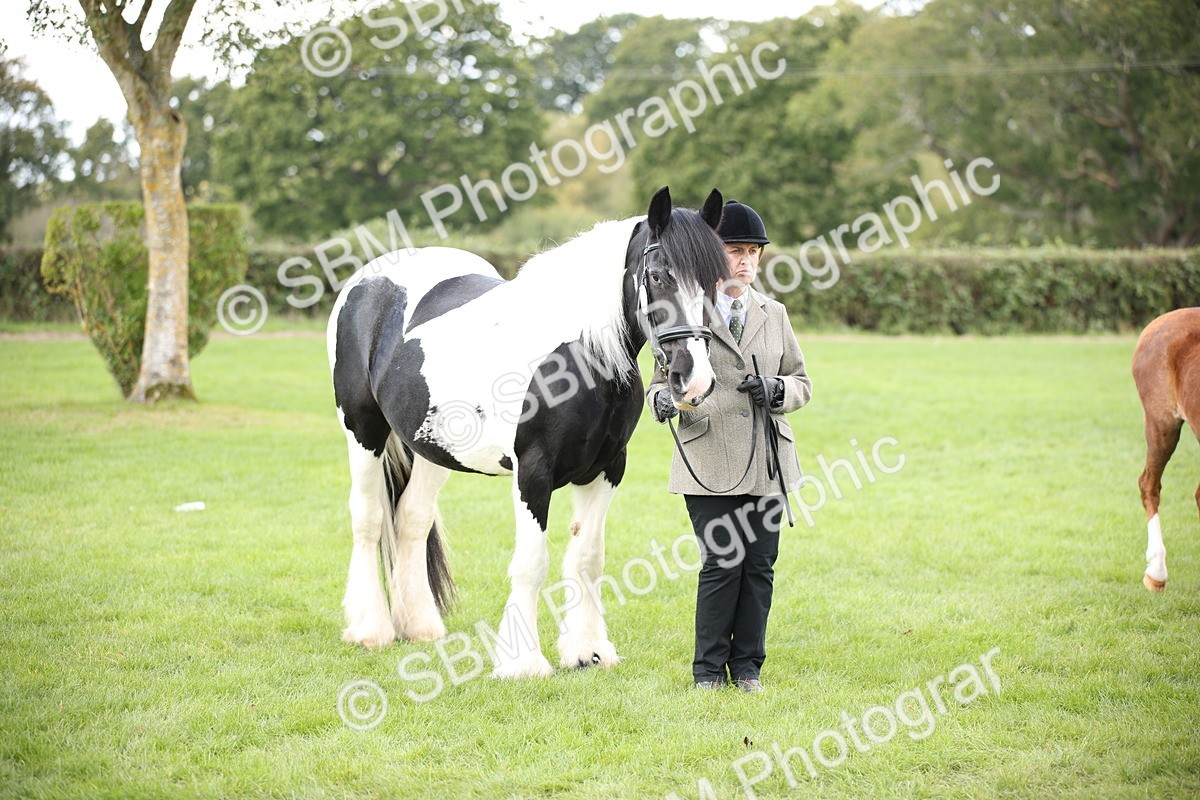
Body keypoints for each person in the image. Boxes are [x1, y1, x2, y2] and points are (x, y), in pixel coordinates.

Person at [646, 199, 812, 693]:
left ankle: (747, 669)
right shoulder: (686, 310)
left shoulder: (774, 313)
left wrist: (778, 390)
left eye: (751, 252)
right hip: (708, 455)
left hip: (767, 459)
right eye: (733, 251)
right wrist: (663, 402)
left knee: (759, 566)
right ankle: (706, 672)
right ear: (712, 255)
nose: (743, 261)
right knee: (722, 563)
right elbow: (657, 382)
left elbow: (802, 381)